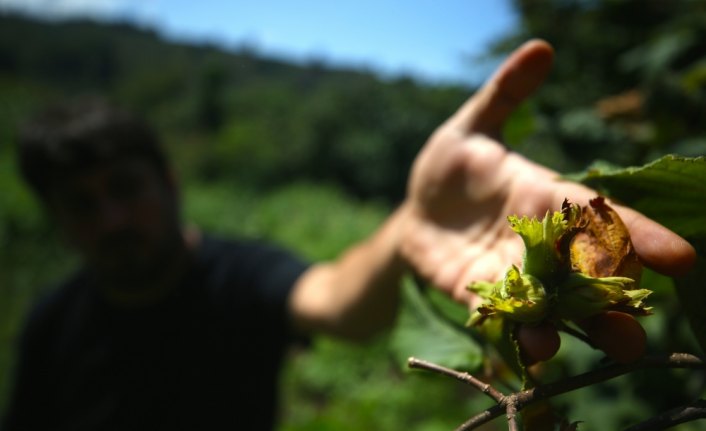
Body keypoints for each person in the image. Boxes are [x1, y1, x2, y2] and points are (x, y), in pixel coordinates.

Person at [2, 40, 695, 430]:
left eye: (125, 189)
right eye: (82, 204)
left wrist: (409, 224)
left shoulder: (236, 275)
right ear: (56, 218)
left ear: (169, 182)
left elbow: (339, 301)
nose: (113, 219)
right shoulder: (49, 324)